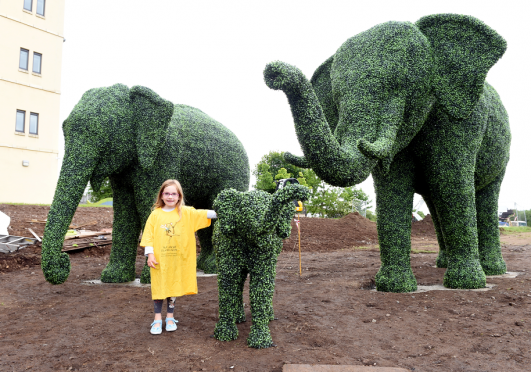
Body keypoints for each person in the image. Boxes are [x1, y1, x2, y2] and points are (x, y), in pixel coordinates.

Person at [140, 179, 217, 335]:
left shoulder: (186, 212)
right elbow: (148, 235)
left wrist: (227, 208)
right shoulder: (155, 215)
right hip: (160, 261)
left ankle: (169, 318)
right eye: (167, 193)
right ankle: (157, 320)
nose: (170, 196)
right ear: (161, 195)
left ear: (179, 196)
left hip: (177, 260)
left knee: (173, 287)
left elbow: (205, 213)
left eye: (173, 194)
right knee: (159, 288)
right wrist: (150, 254)